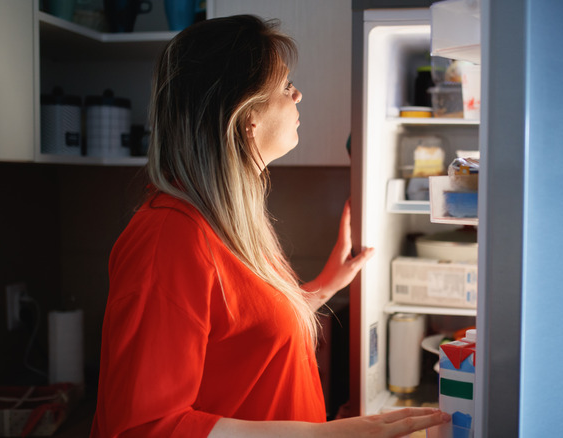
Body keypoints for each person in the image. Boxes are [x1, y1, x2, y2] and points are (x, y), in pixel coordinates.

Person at [90, 14, 450, 438]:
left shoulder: (231, 219)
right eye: (284, 87)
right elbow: (144, 426)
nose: (298, 94)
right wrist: (328, 435)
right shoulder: (168, 237)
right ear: (246, 116)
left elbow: (244, 334)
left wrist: (324, 287)